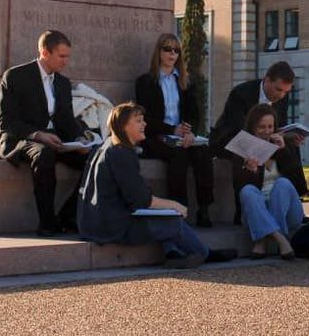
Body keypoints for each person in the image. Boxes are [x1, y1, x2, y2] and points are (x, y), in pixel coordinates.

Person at [77, 103, 235, 268]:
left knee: (164, 213)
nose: (144, 124)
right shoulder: (121, 153)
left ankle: (172, 253)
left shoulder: (106, 146)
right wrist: (174, 205)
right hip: (111, 227)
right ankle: (205, 254)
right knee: (174, 221)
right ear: (123, 125)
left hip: (93, 223)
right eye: (138, 121)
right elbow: (140, 199)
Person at [0, 30, 91, 236]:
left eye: (68, 56)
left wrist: (80, 139)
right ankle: (47, 223)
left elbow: (65, 119)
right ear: (45, 53)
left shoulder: (62, 83)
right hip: (21, 139)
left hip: (55, 139)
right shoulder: (15, 76)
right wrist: (38, 135)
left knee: (94, 158)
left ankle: (68, 216)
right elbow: (7, 122)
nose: (66, 61)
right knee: (44, 153)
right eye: (62, 56)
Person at [209, 61, 304, 223]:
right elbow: (238, 127)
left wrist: (287, 136)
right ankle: (243, 211)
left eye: (286, 92)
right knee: (248, 151)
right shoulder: (241, 93)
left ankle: (294, 200)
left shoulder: (282, 98)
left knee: (291, 146)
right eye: (278, 89)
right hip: (232, 137)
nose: (281, 95)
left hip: (266, 136)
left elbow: (279, 125)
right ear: (267, 80)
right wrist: (266, 139)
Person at [135, 34, 214, 227]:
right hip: (156, 135)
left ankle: (204, 209)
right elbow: (145, 118)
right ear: (158, 52)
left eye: (176, 50)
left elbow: (194, 114)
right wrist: (172, 129)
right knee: (178, 156)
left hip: (181, 135)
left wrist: (189, 132)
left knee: (203, 153)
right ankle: (179, 209)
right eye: (167, 49)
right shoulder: (145, 82)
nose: (172, 54)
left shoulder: (186, 82)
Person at [233, 104, 307, 259]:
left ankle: (261, 242)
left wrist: (284, 151)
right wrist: (251, 170)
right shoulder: (242, 148)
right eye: (261, 127)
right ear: (252, 128)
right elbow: (239, 189)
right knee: (247, 190)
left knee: (283, 184)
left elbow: (300, 187)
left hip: (288, 212)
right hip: (256, 212)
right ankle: (280, 238)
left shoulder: (286, 146)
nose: (267, 131)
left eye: (270, 127)